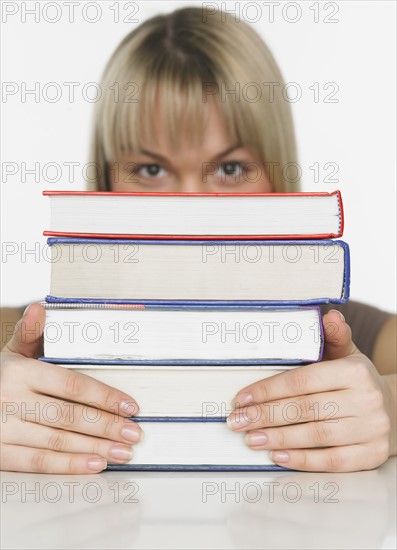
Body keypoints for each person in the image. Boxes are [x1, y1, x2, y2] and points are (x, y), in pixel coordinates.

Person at [1, 7, 396, 474]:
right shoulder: (27, 338)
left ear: (279, 178)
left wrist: (389, 405)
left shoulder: (356, 336)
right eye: (151, 170)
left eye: (231, 169)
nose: (190, 211)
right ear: (103, 185)